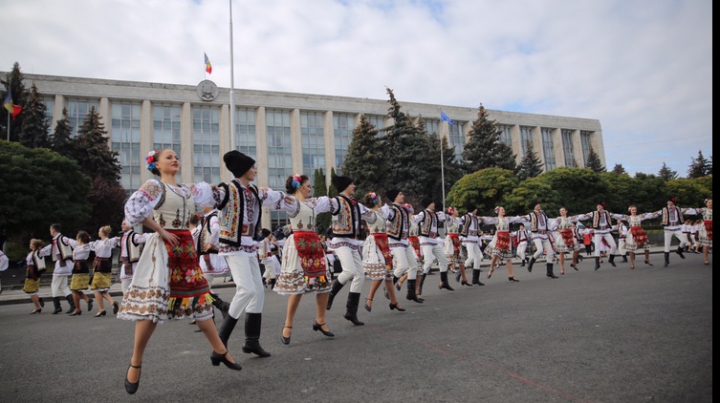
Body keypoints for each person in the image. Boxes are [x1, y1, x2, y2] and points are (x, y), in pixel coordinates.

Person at [118, 149, 241, 396]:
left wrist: (235, 188)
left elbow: (214, 196)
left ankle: (220, 349)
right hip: (164, 249)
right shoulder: (155, 187)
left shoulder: (187, 189)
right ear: (156, 164)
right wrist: (160, 230)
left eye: (176, 156)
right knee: (153, 309)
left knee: (200, 299)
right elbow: (133, 209)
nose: (175, 160)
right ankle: (136, 361)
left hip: (185, 247)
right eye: (168, 157)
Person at [206, 150, 288, 359]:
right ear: (243, 169)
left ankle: (252, 341)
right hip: (233, 246)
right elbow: (208, 196)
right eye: (252, 167)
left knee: (258, 292)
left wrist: (289, 196)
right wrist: (200, 190)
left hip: (249, 246)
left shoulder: (254, 191)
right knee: (246, 289)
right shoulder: (227, 190)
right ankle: (221, 340)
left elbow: (274, 197)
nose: (255, 170)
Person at [275, 174, 336, 344]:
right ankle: (288, 325)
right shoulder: (293, 203)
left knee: (324, 284)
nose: (310, 189)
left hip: (314, 244)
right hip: (299, 244)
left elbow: (327, 202)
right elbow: (277, 200)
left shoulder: (311, 203)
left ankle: (320, 320)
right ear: (300, 187)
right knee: (298, 288)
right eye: (308, 186)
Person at [325, 175, 377, 326]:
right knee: (349, 271)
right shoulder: (336, 202)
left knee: (360, 275)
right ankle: (331, 293)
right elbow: (320, 205)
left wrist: (374, 212)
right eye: (352, 183)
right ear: (345, 186)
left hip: (352, 242)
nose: (354, 186)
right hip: (340, 241)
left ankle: (351, 312)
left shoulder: (356, 204)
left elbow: (371, 218)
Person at [360, 191, 406, 314]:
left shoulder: (382, 212)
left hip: (384, 243)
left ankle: (394, 301)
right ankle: (369, 298)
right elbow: (361, 213)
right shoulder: (371, 214)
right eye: (379, 199)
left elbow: (389, 217)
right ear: (376, 201)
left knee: (388, 275)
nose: (381, 201)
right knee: (381, 272)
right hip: (375, 242)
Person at [384, 189, 423, 303]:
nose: (403, 195)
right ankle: (388, 287)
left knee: (414, 265)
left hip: (405, 242)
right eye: (400, 194)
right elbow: (386, 218)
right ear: (395, 197)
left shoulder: (403, 210)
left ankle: (411, 293)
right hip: (395, 242)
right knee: (402, 266)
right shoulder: (392, 210)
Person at [413, 198, 452, 295]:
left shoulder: (435, 214)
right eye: (432, 203)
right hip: (426, 240)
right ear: (428, 204)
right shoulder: (423, 214)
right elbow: (415, 219)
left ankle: (444, 282)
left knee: (443, 260)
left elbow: (444, 217)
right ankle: (419, 285)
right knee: (429, 261)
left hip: (434, 240)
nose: (434, 204)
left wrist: (449, 214)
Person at [39, 224, 76, 314]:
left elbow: (73, 243)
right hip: (64, 264)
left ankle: (57, 306)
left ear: (53, 230)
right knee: (63, 286)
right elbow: (50, 249)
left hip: (62, 265)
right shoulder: (56, 240)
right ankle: (72, 305)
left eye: (50, 229)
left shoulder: (62, 238)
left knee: (54, 285)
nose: (50, 231)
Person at [484, 206, 525, 282]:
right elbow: (487, 220)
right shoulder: (496, 219)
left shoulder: (507, 219)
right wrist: (479, 218)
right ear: (498, 211)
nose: (504, 210)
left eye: (504, 209)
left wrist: (525, 216)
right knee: (495, 254)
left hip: (506, 238)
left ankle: (511, 275)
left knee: (508, 258)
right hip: (499, 238)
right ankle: (491, 269)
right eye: (502, 209)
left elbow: (516, 218)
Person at [576, 202, 619, 271]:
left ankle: (611, 259)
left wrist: (624, 217)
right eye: (597, 205)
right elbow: (585, 216)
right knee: (597, 247)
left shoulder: (607, 213)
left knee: (614, 246)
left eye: (600, 206)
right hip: (598, 232)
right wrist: (577, 217)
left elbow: (616, 216)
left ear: (602, 207)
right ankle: (597, 264)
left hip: (606, 231)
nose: (598, 207)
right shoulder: (593, 213)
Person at [521, 201, 558, 279]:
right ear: (534, 207)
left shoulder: (543, 214)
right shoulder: (531, 215)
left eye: (539, 204)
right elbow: (525, 218)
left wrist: (551, 230)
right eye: (537, 205)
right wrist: (519, 218)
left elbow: (548, 223)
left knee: (550, 252)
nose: (539, 205)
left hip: (544, 234)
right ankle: (531, 261)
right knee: (540, 250)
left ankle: (549, 272)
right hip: (536, 234)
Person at [90, 226, 120, 316]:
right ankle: (112, 303)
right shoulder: (99, 242)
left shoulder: (107, 241)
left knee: (95, 288)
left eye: (99, 231)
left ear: (102, 233)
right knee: (101, 288)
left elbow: (117, 239)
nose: (98, 232)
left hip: (101, 265)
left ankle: (101, 309)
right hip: (103, 264)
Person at [66, 230, 95, 316]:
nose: (76, 239)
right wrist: (67, 239)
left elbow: (94, 245)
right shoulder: (78, 245)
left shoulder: (86, 246)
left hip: (80, 267)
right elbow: (72, 242)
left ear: (80, 238)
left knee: (74, 289)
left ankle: (77, 308)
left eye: (77, 237)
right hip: (78, 267)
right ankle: (87, 300)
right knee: (76, 288)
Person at [659, 197, 691, 267]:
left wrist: (697, 210)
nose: (669, 203)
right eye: (668, 201)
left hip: (677, 227)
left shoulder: (678, 209)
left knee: (684, 241)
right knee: (667, 245)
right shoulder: (664, 209)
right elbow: (655, 214)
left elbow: (688, 210)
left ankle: (679, 251)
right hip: (668, 228)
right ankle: (666, 261)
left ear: (673, 202)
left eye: (671, 201)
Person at [550, 207, 583, 275]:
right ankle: (562, 268)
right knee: (562, 252)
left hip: (570, 235)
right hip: (562, 235)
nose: (561, 212)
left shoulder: (569, 219)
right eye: (560, 211)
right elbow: (553, 226)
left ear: (566, 211)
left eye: (563, 210)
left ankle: (574, 262)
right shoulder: (558, 219)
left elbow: (578, 217)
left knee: (577, 249)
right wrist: (558, 230)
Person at [119, 219, 147, 295]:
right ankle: (129, 302)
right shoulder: (123, 236)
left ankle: (130, 302)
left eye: (124, 224)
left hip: (133, 265)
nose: (122, 225)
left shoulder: (134, 236)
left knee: (129, 285)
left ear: (130, 225)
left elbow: (144, 238)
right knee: (126, 286)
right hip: (125, 264)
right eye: (122, 224)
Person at [460, 204, 485, 286]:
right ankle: (460, 273)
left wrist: (480, 233)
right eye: (475, 209)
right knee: (471, 257)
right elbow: (461, 220)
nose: (476, 210)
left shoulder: (475, 218)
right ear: (473, 210)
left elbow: (477, 227)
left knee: (478, 257)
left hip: (474, 240)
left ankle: (475, 279)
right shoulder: (466, 217)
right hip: (469, 240)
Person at [444, 207, 470, 286]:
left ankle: (464, 279)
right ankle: (443, 280)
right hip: (450, 240)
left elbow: (465, 220)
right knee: (449, 261)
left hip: (456, 239)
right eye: (456, 210)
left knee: (461, 260)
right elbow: (445, 216)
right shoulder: (449, 219)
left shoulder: (457, 219)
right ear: (452, 212)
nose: (457, 211)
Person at [685, 198, 712, 265]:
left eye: (712, 202)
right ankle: (706, 259)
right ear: (706, 203)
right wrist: (683, 210)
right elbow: (694, 210)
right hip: (707, 227)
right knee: (706, 244)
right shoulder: (704, 210)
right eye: (709, 202)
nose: (711, 203)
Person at [24, 239, 48, 313]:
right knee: (31, 290)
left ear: (34, 245)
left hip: (32, 275)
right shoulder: (38, 253)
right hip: (38, 274)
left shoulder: (31, 255)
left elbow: (30, 267)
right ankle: (38, 298)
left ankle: (37, 307)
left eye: (31, 244)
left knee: (31, 291)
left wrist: (32, 275)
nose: (30, 245)